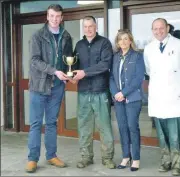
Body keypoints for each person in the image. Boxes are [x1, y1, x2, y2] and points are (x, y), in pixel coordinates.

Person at [26, 4, 73, 173]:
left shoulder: (66, 36)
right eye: (52, 16)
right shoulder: (38, 36)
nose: (55, 19)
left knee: (52, 123)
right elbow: (34, 61)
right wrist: (54, 71)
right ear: (47, 16)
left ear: (62, 18)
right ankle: (32, 159)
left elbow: (69, 59)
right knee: (36, 124)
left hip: (58, 86)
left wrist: (70, 74)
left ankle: (51, 155)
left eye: (58, 16)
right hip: (39, 86)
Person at [144, 18, 180, 176]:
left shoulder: (179, 45)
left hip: (175, 97)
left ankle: (178, 163)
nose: (158, 31)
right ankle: (166, 161)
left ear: (167, 28)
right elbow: (149, 70)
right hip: (158, 97)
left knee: (176, 134)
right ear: (152, 30)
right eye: (155, 29)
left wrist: (177, 86)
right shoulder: (149, 48)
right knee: (162, 133)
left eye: (161, 28)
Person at [72, 16, 116, 169]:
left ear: (96, 27)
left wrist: (84, 72)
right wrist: (72, 77)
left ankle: (107, 158)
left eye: (91, 26)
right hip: (83, 92)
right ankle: (86, 157)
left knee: (105, 127)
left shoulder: (104, 43)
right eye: (85, 26)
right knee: (84, 127)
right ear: (83, 28)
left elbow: (105, 65)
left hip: (100, 92)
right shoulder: (79, 45)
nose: (88, 29)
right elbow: (74, 65)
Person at [109, 29, 145, 171]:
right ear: (117, 42)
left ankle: (135, 158)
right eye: (120, 39)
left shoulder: (137, 56)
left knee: (132, 127)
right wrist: (115, 93)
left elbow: (138, 78)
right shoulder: (115, 57)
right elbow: (111, 77)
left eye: (126, 39)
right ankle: (125, 157)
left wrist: (123, 93)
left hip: (133, 99)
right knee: (122, 128)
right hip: (118, 99)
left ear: (130, 40)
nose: (123, 42)